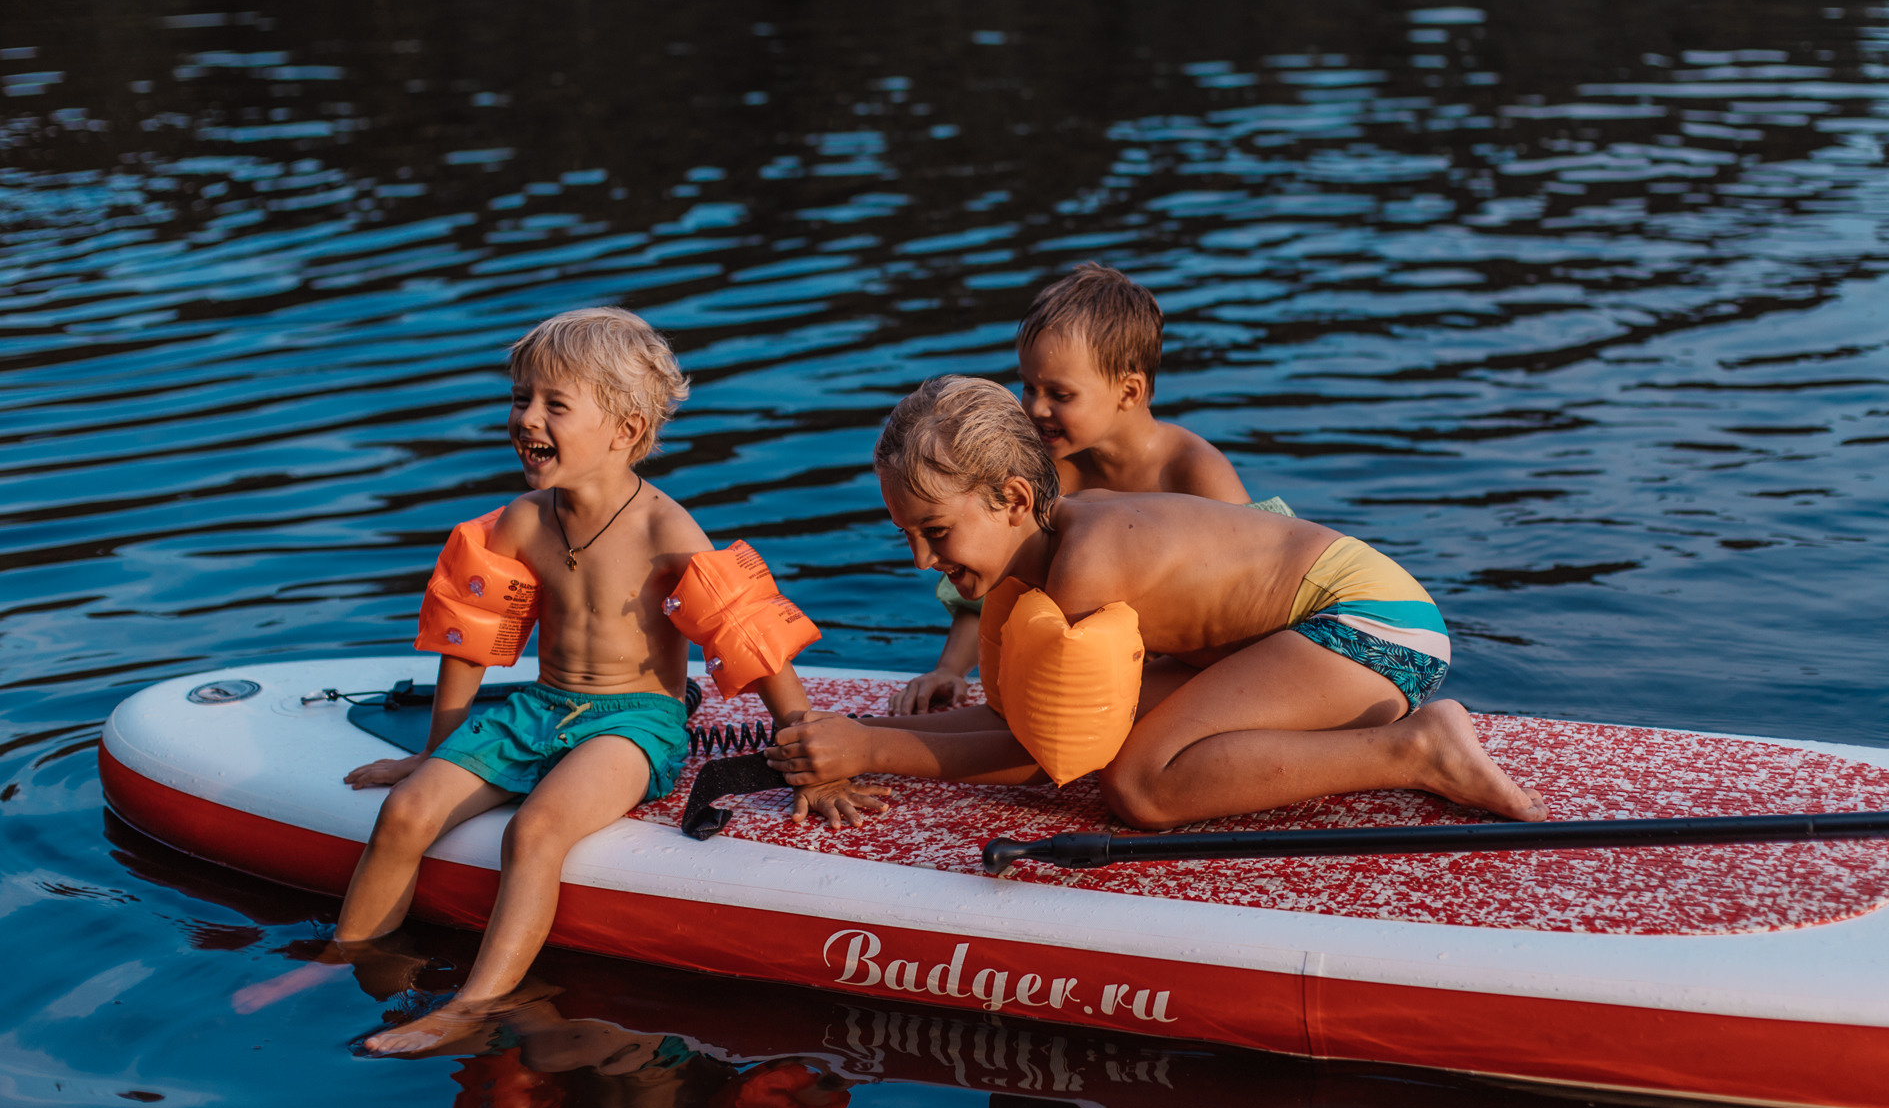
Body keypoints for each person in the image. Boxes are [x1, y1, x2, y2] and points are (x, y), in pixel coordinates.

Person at [334, 307, 874, 1056]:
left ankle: (474, 1004)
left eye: (555, 404)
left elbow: (750, 636)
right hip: (541, 706)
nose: (527, 418)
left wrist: (811, 755)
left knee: (536, 830)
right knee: (406, 811)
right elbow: (470, 640)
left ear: (623, 429)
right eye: (521, 398)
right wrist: (438, 752)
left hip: (634, 721)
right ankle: (346, 953)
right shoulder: (521, 521)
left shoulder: (662, 531)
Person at [770, 376, 1546, 831]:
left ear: (1011, 498)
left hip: (1371, 625)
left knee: (1137, 782)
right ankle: (1394, 734)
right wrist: (851, 729)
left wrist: (871, 753)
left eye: (934, 532)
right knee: (1133, 739)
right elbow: (1013, 715)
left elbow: (1046, 756)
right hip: (1291, 635)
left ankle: (1415, 748)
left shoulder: (1086, 563)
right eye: (907, 535)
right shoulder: (1027, 560)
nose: (921, 560)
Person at [893, 264, 1287, 715]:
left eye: (1060, 395)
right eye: (1027, 386)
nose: (1036, 407)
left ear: (1129, 390)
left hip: (1204, 657)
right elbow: (994, 573)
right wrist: (951, 670)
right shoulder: (1051, 471)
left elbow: (1257, 587)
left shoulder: (1192, 472)